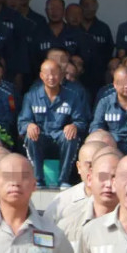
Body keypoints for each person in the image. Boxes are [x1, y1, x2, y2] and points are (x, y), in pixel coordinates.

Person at [17, 59, 89, 189]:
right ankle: (38, 179)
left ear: (61, 75)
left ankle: (64, 180)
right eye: (47, 74)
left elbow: (81, 121)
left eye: (55, 74)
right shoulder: (31, 96)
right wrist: (29, 125)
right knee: (30, 136)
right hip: (41, 138)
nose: (51, 77)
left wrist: (74, 126)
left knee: (71, 137)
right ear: (41, 76)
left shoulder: (73, 96)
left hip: (61, 138)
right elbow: (22, 121)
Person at [42, 132, 115, 222]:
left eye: (100, 165)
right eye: (90, 165)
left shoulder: (123, 201)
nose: (95, 171)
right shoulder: (62, 202)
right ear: (79, 167)